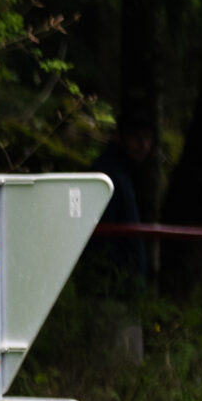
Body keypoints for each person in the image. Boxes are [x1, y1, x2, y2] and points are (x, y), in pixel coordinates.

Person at [88, 116, 155, 287]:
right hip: (111, 283)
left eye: (147, 138)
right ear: (119, 137)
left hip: (121, 280)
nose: (143, 145)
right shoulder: (106, 174)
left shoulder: (123, 171)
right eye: (137, 137)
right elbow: (100, 238)